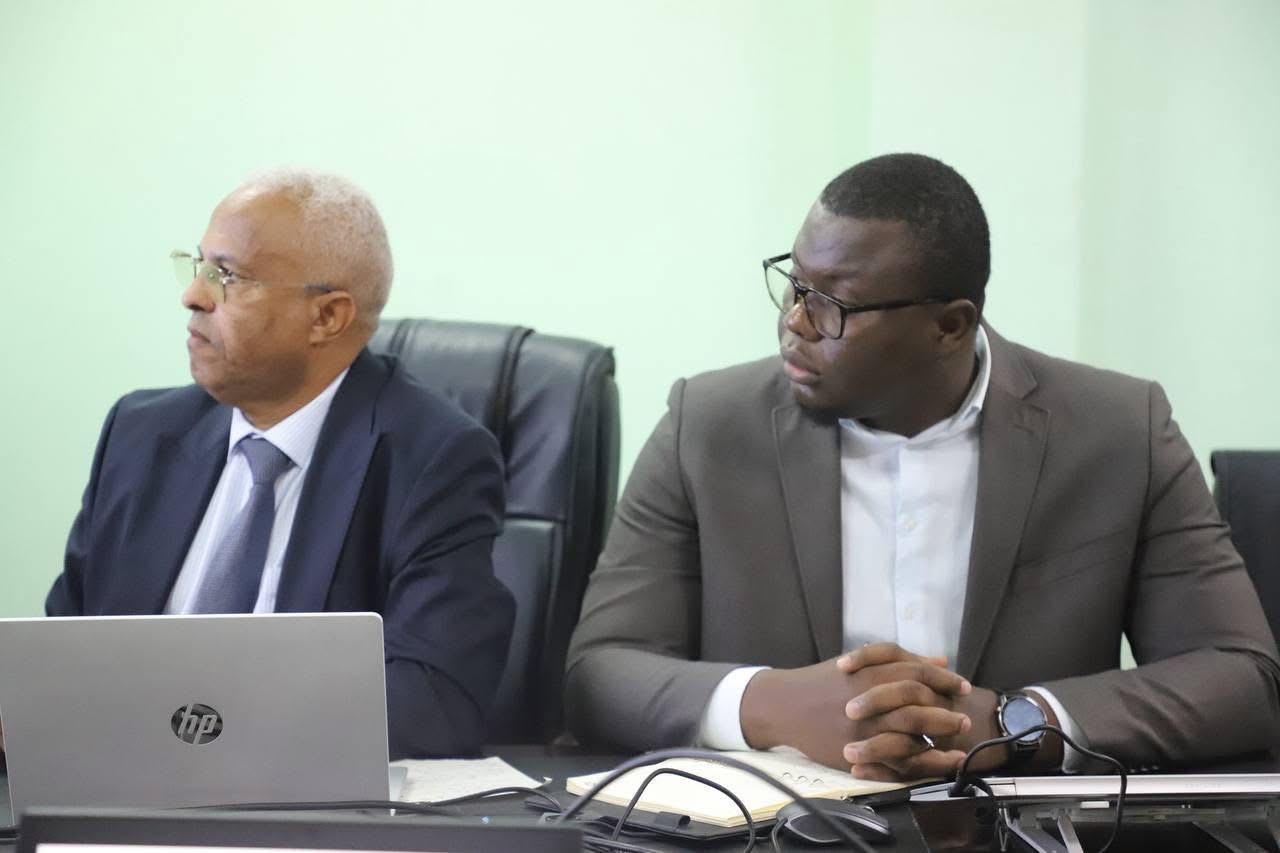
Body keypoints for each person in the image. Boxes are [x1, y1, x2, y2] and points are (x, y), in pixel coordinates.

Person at [564, 153, 1280, 780]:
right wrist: (772, 705)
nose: (795, 322)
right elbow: (601, 670)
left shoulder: (1119, 430)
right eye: (794, 284)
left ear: (948, 326)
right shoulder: (706, 424)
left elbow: (1243, 679)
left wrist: (1015, 722)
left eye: (833, 304)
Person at [43, 170, 515, 759]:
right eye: (198, 266)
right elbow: (60, 652)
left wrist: (210, 744)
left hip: (289, 802)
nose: (194, 296)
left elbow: (433, 703)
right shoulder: (141, 435)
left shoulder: (434, 460)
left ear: (326, 317)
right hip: (111, 790)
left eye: (228, 276)